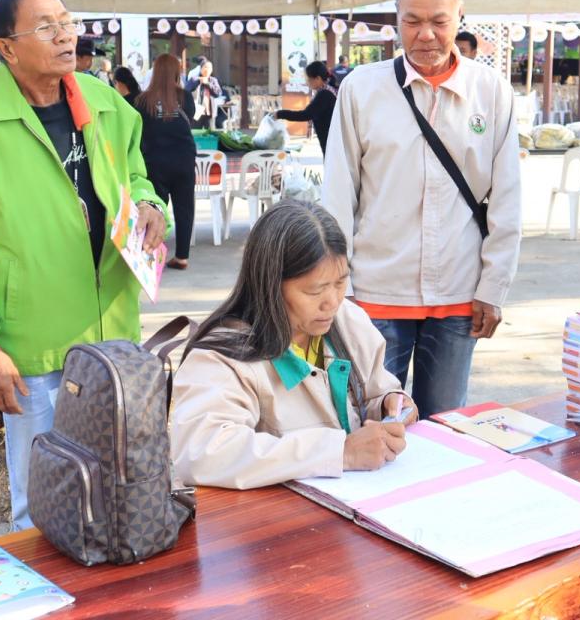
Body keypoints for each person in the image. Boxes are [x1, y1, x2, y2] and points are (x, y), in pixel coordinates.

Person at [0, 0, 169, 531]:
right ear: (6, 47)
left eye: (66, 20)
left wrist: (150, 204)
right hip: (32, 344)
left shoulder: (105, 104)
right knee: (41, 494)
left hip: (111, 332)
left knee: (115, 478)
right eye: (45, 26)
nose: (65, 34)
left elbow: (133, 176)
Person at [323, 0, 522, 418]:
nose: (425, 35)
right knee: (367, 421)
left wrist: (495, 284)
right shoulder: (362, 88)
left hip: (459, 295)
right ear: (396, 16)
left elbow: (507, 198)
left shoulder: (490, 91)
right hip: (375, 293)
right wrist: (338, 286)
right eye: (411, 21)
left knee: (446, 426)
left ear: (460, 15)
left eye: (439, 21)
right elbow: (338, 194)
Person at [170, 201, 418, 489]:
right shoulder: (222, 357)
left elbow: (373, 390)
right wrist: (341, 452)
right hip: (268, 524)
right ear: (270, 286)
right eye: (314, 290)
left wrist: (389, 404)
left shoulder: (346, 321)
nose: (332, 302)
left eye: (340, 284)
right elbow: (201, 453)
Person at [136, 53, 197, 271]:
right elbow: (190, 116)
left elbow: (138, 130)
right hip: (183, 158)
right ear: (175, 73)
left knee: (157, 207)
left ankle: (152, 255)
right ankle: (182, 257)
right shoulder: (185, 96)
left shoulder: (143, 100)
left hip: (154, 160)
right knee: (185, 208)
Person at [273, 61, 337, 155]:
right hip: (331, 141)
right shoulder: (327, 90)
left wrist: (280, 114)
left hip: (332, 143)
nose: (307, 83)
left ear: (318, 78)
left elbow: (306, 115)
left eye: (309, 80)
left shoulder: (325, 94)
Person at [186, 60, 226, 130]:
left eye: (210, 68)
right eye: (205, 67)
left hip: (209, 112)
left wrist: (207, 84)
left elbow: (218, 93)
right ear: (201, 69)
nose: (207, 70)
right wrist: (199, 81)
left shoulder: (213, 80)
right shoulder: (194, 79)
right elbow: (186, 91)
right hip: (196, 112)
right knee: (196, 132)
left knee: (210, 133)